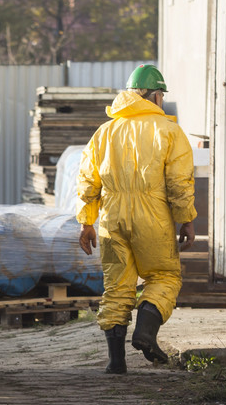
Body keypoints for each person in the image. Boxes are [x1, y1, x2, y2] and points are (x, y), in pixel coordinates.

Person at [76, 64, 196, 374]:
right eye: (161, 95)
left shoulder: (104, 132)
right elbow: (179, 182)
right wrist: (186, 219)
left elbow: (88, 182)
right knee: (165, 276)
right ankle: (146, 330)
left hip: (111, 218)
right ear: (155, 96)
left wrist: (87, 222)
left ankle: (116, 362)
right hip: (152, 216)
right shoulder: (168, 131)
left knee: (117, 287)